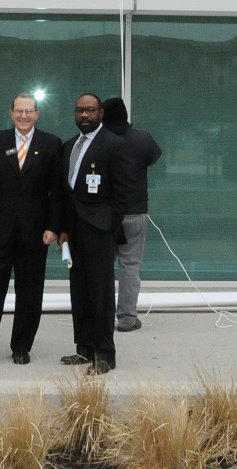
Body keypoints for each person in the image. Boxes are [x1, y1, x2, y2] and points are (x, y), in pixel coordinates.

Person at [0, 92, 62, 369]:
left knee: (30, 293)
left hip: (36, 233)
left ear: (37, 114)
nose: (24, 116)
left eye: (29, 111)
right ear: (11, 113)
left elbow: (56, 191)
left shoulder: (51, 144)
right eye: (19, 111)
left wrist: (53, 227)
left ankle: (21, 347)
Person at [57, 91, 131, 375]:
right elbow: (67, 192)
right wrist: (64, 229)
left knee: (100, 292)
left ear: (100, 112)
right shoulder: (69, 146)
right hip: (74, 231)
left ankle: (105, 354)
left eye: (89, 110)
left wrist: (108, 227)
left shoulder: (115, 145)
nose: (84, 115)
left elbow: (124, 194)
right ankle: (85, 349)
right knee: (80, 291)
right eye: (79, 111)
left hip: (100, 230)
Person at [101, 95, 161, 332]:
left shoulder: (100, 141)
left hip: (105, 212)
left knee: (102, 266)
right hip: (134, 211)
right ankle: (126, 318)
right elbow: (153, 158)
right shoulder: (142, 139)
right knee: (130, 265)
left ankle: (100, 318)